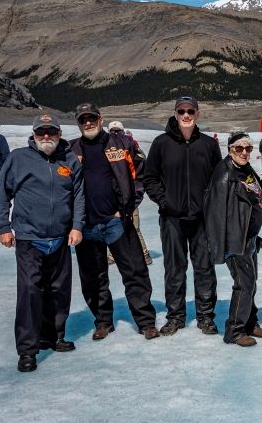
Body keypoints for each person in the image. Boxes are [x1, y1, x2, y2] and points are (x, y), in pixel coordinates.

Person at [0, 114, 84, 373]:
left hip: (61, 238)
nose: (46, 136)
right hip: (29, 238)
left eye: (51, 132)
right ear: (33, 134)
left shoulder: (69, 160)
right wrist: (4, 227)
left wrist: (77, 226)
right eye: (41, 132)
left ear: (58, 133)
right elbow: (1, 194)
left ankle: (53, 336)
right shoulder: (18, 159)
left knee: (58, 290)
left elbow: (78, 196)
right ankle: (28, 350)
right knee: (30, 291)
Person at [69, 104, 160, 342]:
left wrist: (128, 207)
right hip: (86, 225)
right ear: (78, 123)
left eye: (92, 118)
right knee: (93, 278)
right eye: (83, 120)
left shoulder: (121, 143)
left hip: (117, 222)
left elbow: (141, 173)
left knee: (135, 273)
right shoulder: (71, 149)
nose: (88, 123)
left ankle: (145, 322)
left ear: (101, 120)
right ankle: (103, 321)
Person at [143, 96, 222, 336]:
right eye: (181, 111)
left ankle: (206, 316)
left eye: (190, 111)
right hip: (172, 220)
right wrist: (166, 202)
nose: (185, 115)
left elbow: (218, 180)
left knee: (204, 269)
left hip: (201, 220)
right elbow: (150, 178)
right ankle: (175, 316)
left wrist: (210, 206)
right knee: (174, 269)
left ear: (197, 114)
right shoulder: (161, 143)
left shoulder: (208, 145)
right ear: (175, 114)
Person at [205, 133, 262, 347]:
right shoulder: (224, 176)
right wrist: (225, 246)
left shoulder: (245, 170)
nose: (244, 152)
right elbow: (215, 214)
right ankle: (234, 331)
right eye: (239, 148)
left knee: (250, 283)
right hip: (235, 241)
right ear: (229, 150)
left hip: (249, 238)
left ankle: (250, 323)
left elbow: (249, 195)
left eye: (248, 148)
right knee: (244, 284)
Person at [105, 121, 152, 266]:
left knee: (124, 225)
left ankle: (143, 254)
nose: (115, 134)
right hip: (128, 192)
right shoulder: (132, 145)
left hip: (121, 193)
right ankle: (141, 254)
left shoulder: (114, 146)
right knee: (129, 224)